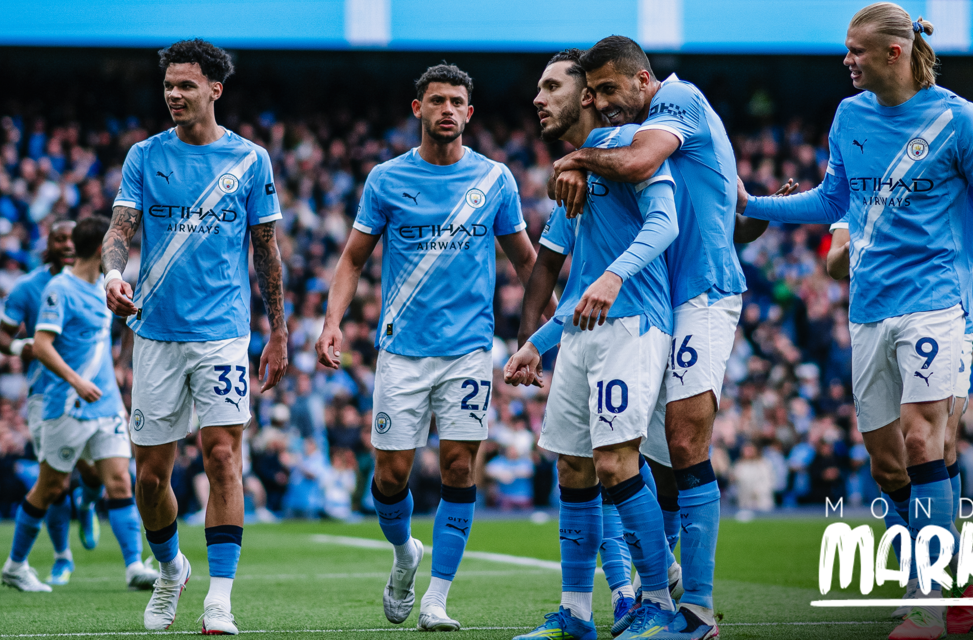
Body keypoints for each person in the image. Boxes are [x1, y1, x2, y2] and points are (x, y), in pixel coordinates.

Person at [742, 4, 973, 638]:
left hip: (937, 304)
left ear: (893, 54)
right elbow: (832, 201)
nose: (845, 59)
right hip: (869, 309)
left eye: (855, 49)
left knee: (921, 440)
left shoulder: (960, 120)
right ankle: (952, 567)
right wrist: (756, 202)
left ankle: (926, 602)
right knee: (887, 466)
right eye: (844, 49)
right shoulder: (849, 116)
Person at [315, 63, 550, 632]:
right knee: (391, 475)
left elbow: (527, 262)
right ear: (417, 108)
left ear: (470, 113)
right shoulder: (386, 180)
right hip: (401, 350)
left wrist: (545, 335)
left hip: (469, 349)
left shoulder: (494, 180)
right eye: (437, 100)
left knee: (459, 467)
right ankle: (403, 556)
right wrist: (331, 322)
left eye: (457, 102)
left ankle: (437, 598)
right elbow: (352, 258)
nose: (447, 109)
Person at [548, 35, 746, 639]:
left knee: (683, 441)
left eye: (610, 89)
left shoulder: (677, 99)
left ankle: (695, 612)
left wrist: (578, 158)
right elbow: (736, 206)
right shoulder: (633, 131)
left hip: (702, 293)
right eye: (595, 93)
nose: (603, 102)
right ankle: (659, 591)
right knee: (649, 455)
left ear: (643, 79)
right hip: (665, 294)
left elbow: (638, 165)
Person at [102, 39, 288, 634]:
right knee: (150, 477)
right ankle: (171, 566)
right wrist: (111, 273)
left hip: (223, 334)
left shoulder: (251, 160)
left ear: (215, 89)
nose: (175, 96)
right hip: (155, 333)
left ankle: (219, 600)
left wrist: (277, 331)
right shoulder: (145, 156)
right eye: (168, 87)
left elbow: (267, 252)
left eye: (186, 85)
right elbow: (119, 229)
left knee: (223, 457)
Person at [505, 48, 680, 640]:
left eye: (551, 86)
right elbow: (573, 283)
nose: (538, 98)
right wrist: (537, 342)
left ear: (585, 96)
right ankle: (577, 615)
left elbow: (665, 223)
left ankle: (657, 601)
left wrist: (616, 275)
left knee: (615, 463)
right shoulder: (570, 178)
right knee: (574, 470)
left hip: (635, 324)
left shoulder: (633, 146)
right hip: (583, 335)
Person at [825, 199, 973, 631]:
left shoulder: (945, 160)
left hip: (947, 318)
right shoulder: (859, 171)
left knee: (932, 444)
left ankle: (928, 587)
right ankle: (955, 565)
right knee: (887, 467)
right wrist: (863, 242)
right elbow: (835, 264)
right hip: (875, 319)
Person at [0, 216, 159, 593]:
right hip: (66, 403)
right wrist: (77, 380)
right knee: (51, 487)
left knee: (120, 480)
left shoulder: (107, 290)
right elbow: (40, 346)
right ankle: (15, 566)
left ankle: (134, 565)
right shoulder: (58, 288)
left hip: (104, 405)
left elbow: (113, 339)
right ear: (100, 248)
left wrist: (117, 383)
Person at [0, 219, 105, 585]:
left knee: (94, 472)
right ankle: (61, 557)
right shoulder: (30, 288)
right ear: (50, 244)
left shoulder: (100, 283)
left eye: (73, 238)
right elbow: (1, 337)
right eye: (60, 239)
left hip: (94, 390)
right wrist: (20, 347)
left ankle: (87, 505)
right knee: (53, 481)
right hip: (48, 393)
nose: (68, 244)